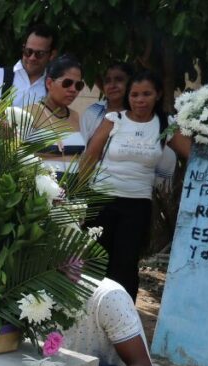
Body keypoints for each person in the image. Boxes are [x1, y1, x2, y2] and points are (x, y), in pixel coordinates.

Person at [82, 70, 192, 300]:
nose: (140, 100)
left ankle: (121, 322)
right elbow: (90, 157)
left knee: (125, 265)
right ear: (128, 96)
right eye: (134, 95)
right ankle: (83, 317)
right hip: (101, 199)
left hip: (136, 205)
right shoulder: (114, 120)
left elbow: (192, 155)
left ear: (158, 95)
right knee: (93, 261)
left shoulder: (166, 124)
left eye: (146, 94)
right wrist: (76, 192)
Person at [28, 55, 86, 177]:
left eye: (78, 85)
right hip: (40, 193)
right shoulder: (30, 113)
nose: (73, 89)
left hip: (72, 192)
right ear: (49, 83)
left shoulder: (76, 116)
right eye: (67, 83)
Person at [0, 23, 57, 107]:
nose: (32, 58)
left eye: (39, 53)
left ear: (52, 55)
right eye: (28, 51)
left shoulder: (54, 89)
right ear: (23, 48)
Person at [80, 61, 133, 142]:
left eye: (119, 80)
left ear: (130, 83)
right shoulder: (92, 112)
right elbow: (83, 149)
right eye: (107, 81)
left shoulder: (139, 114)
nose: (112, 85)